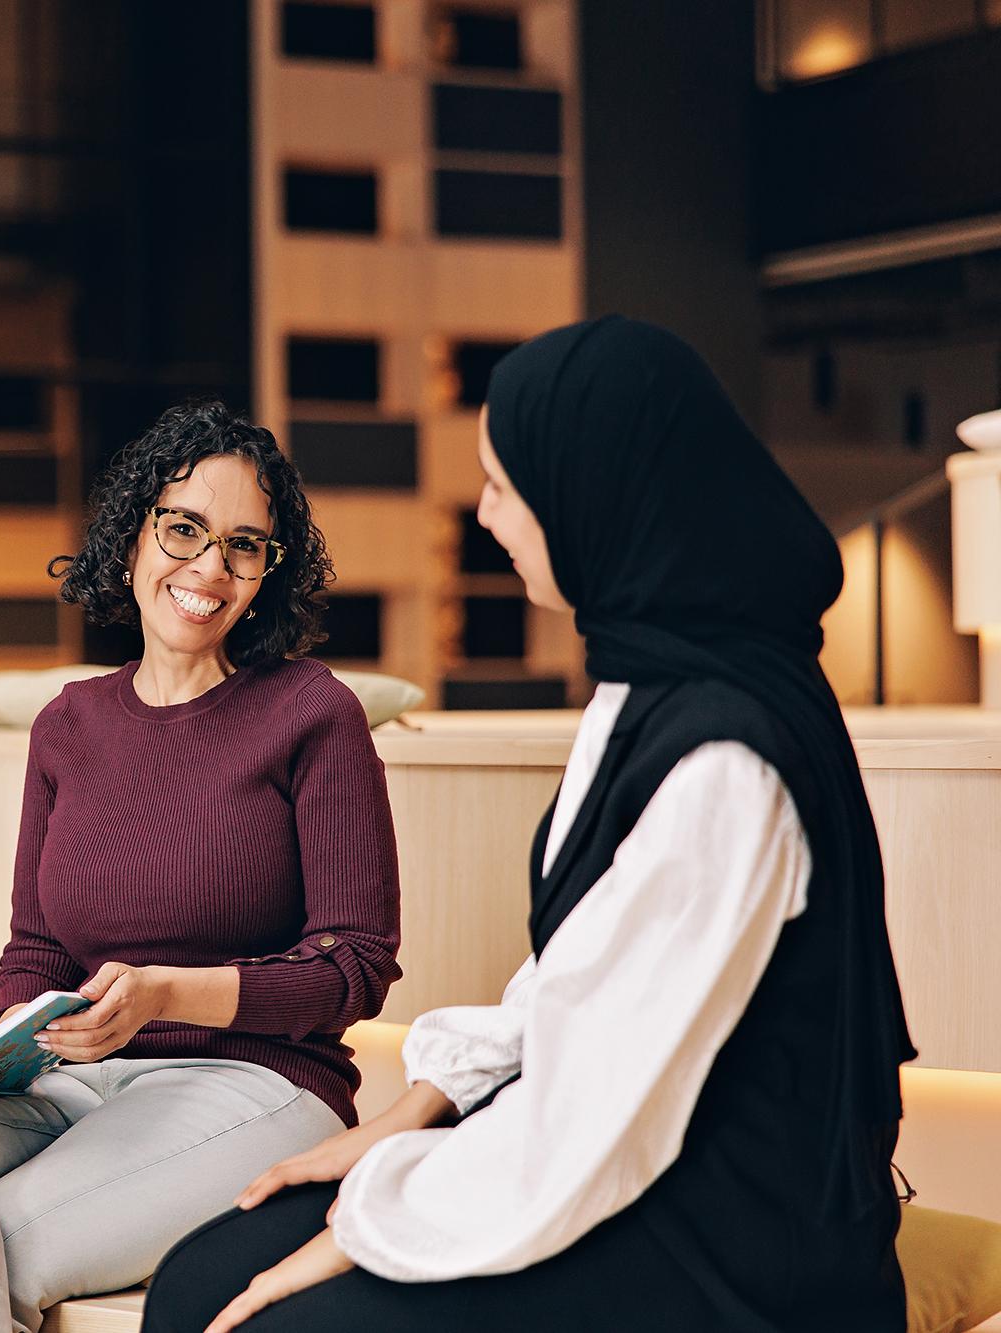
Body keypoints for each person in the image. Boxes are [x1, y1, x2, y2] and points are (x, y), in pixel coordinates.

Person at [143, 317, 913, 1333]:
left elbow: (591, 1116)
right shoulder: (648, 676)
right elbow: (575, 990)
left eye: (506, 486)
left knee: (277, 1322)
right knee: (201, 1275)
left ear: (590, 497)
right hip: (628, 1154)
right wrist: (419, 1108)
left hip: (731, 1233)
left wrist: (367, 1222)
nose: (487, 516)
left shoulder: (725, 756)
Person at [0, 398, 403, 1333]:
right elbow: (38, 946)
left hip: (253, 1086)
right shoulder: (68, 725)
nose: (210, 567)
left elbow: (353, 966)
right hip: (69, 1081)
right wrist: (10, 1026)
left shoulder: (310, 713)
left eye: (245, 546)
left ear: (265, 574)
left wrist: (165, 993)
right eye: (184, 529)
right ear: (132, 537)